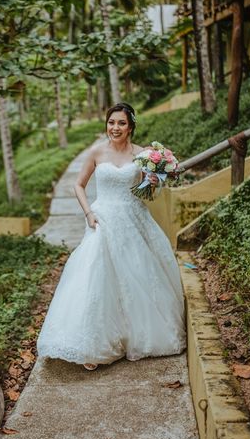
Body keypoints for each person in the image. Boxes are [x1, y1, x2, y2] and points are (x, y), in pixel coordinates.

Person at [36, 103, 186, 370]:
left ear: (131, 127)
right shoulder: (96, 152)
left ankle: (136, 335)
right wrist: (88, 213)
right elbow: (78, 185)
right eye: (111, 122)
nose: (115, 128)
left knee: (137, 276)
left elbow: (147, 195)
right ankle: (94, 343)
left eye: (121, 123)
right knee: (96, 276)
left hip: (134, 219)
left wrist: (154, 183)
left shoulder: (144, 155)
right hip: (102, 219)